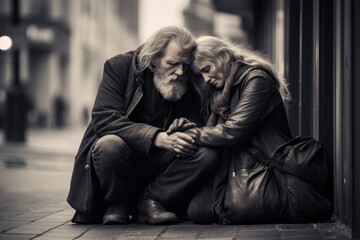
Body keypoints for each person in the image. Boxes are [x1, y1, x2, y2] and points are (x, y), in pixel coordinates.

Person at [67, 27, 221, 225]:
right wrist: (157, 137)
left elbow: (198, 120)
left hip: (161, 167)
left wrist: (187, 128)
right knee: (109, 144)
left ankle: (152, 201)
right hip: (121, 161)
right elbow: (104, 118)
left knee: (207, 153)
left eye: (185, 64)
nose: (180, 71)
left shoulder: (187, 77)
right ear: (153, 58)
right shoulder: (119, 66)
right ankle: (118, 204)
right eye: (172, 63)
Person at [167, 36, 293, 224]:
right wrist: (189, 127)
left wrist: (190, 135)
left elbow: (233, 131)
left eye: (206, 69)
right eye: (200, 75)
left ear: (222, 57)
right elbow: (215, 131)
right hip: (236, 161)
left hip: (265, 164)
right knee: (197, 211)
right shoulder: (221, 90)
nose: (206, 79)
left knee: (234, 209)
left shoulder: (256, 79)